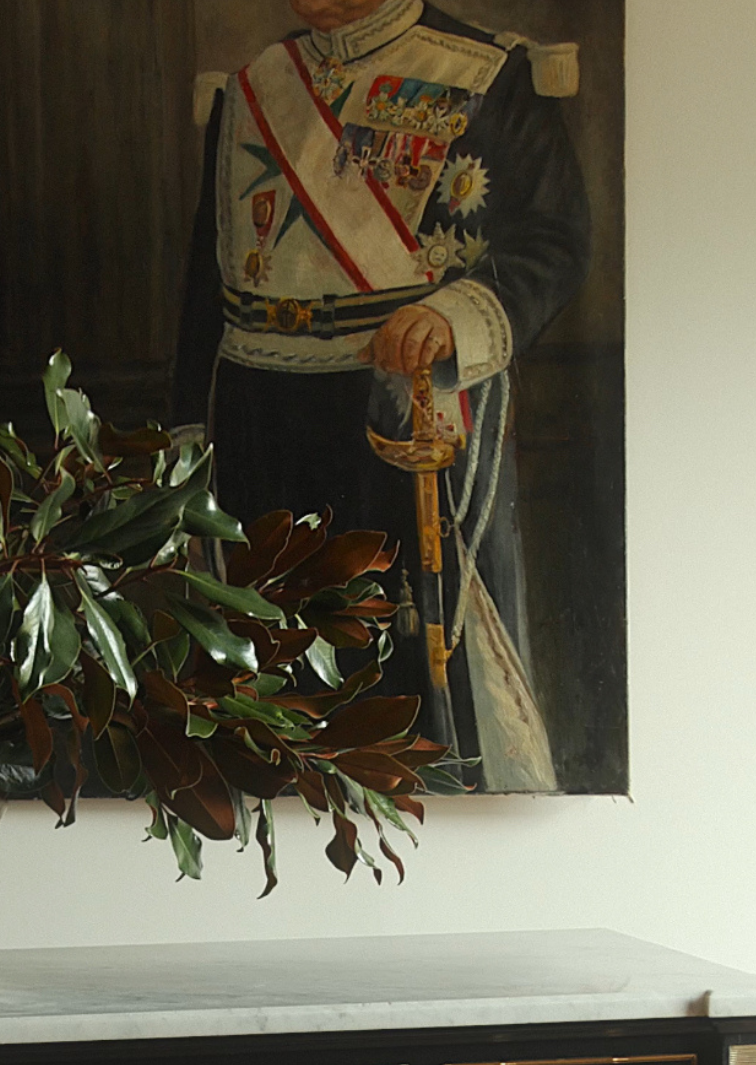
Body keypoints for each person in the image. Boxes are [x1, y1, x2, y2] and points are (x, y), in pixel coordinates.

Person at [174, 0, 591, 791]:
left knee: (408, 675)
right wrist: (188, 432)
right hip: (258, 415)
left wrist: (451, 315)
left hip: (399, 408)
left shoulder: (486, 74)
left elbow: (555, 239)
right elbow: (208, 279)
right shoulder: (254, 86)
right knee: (272, 667)